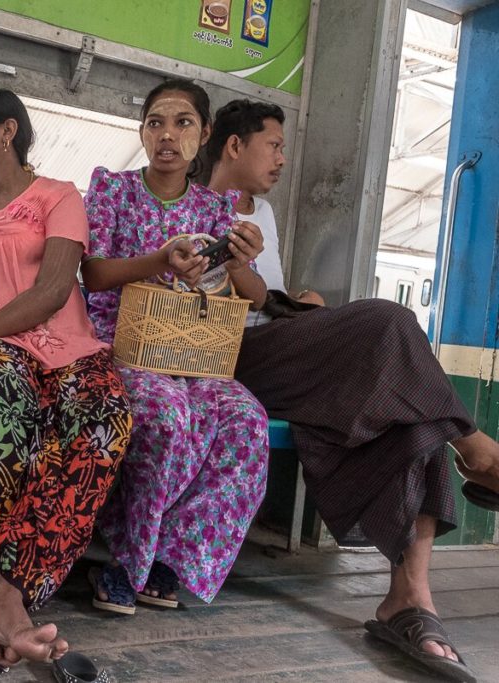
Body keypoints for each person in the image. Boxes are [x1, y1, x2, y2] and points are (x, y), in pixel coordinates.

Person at [208, 97, 499, 682]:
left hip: (277, 340)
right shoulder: (191, 205)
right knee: (389, 320)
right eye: (275, 145)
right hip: (228, 355)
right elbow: (239, 299)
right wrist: (269, 296)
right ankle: (477, 448)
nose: (283, 159)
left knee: (411, 415)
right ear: (235, 145)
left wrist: (296, 303)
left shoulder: (258, 212)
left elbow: (267, 296)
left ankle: (409, 600)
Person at [0, 89, 133, 673]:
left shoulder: (58, 196)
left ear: (8, 132)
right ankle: (7, 605)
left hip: (62, 345)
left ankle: (1, 597)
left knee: (105, 421)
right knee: (4, 422)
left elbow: (51, 293)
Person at [82, 79, 270, 614]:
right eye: (156, 123)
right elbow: (93, 274)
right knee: (165, 416)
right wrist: (160, 261)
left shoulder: (216, 209)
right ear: (142, 132)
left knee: (246, 423)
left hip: (194, 352)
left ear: (205, 134)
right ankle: (125, 561)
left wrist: (236, 260)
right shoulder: (112, 190)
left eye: (183, 123)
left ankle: (169, 556)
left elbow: (254, 295)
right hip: (124, 345)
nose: (168, 135)